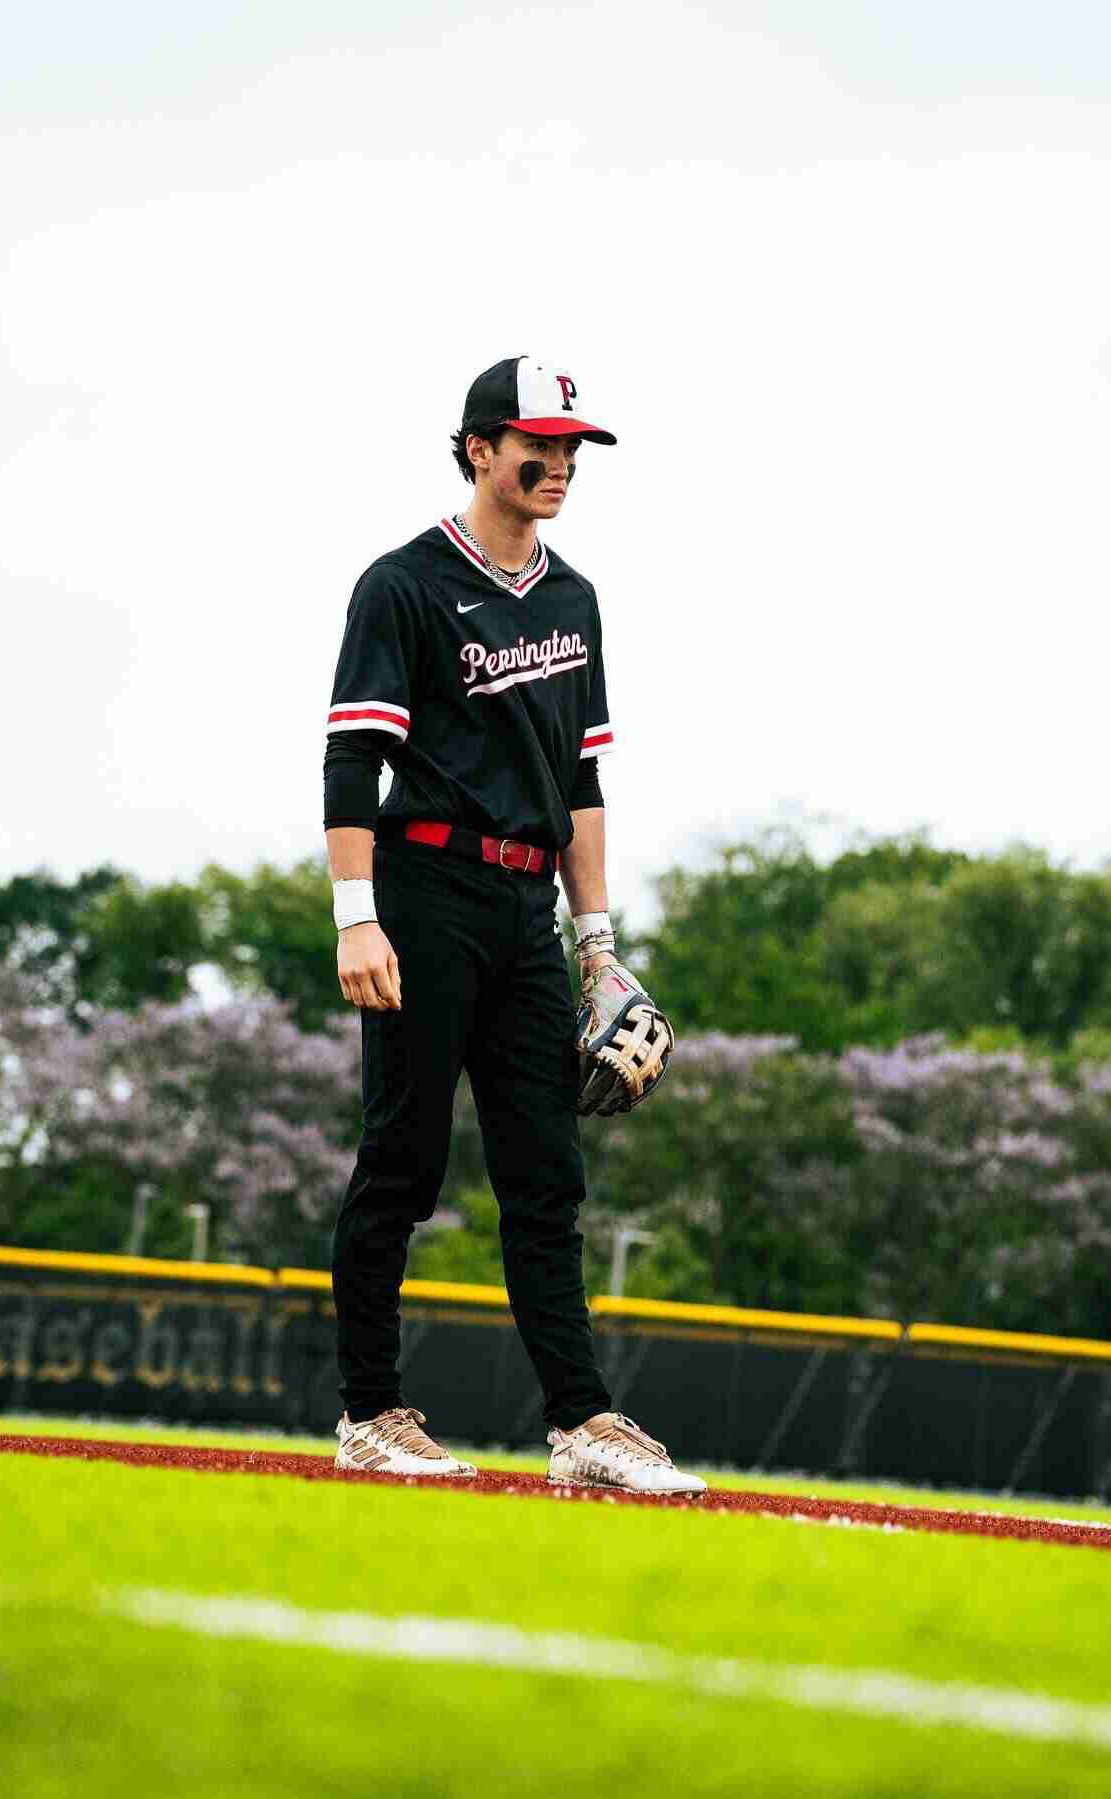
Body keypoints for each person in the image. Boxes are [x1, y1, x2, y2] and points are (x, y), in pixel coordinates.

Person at [322, 355, 704, 1495]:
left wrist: (598, 943)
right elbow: (354, 756)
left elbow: (581, 784)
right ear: (479, 448)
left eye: (572, 447)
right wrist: (357, 918)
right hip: (424, 890)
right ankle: (368, 1413)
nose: (560, 463)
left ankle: (582, 1422)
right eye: (537, 443)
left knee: (547, 1174)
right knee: (403, 1161)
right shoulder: (404, 584)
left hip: (527, 906)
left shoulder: (574, 599)